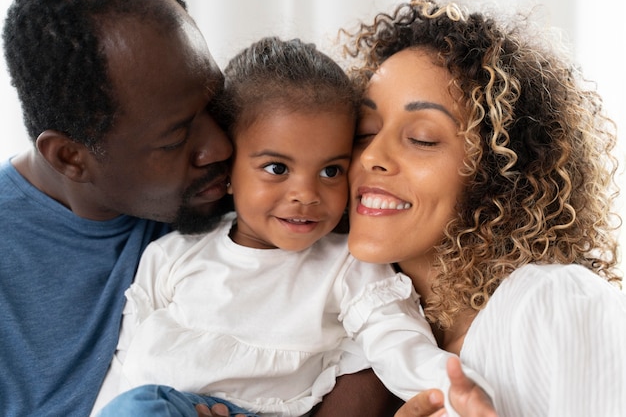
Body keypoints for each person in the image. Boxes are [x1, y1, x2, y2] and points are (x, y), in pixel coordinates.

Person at [0, 0, 402, 416]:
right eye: (176, 138)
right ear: (70, 157)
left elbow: (369, 322)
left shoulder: (264, 189)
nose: (221, 147)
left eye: (214, 103)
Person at [95, 36, 494, 417]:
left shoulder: (346, 266)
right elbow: (122, 367)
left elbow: (396, 339)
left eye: (331, 170)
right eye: (276, 168)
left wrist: (452, 387)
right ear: (228, 170)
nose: (305, 193)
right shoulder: (173, 255)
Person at [342, 0, 626, 416]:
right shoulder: (356, 336)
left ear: (500, 173)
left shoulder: (555, 302)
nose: (371, 156)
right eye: (364, 132)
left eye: (422, 138)